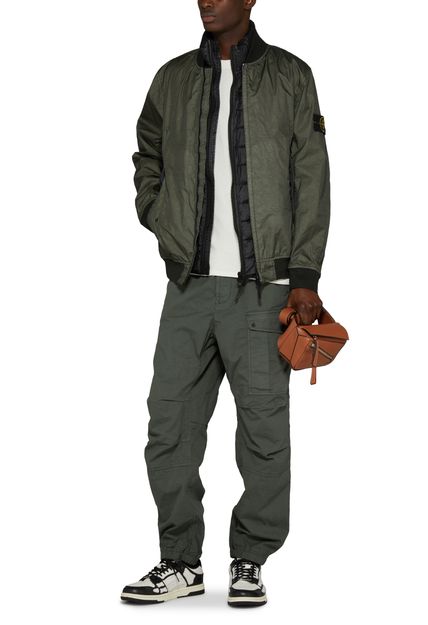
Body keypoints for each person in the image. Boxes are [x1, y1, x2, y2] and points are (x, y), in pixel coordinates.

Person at [121, 0, 330, 608]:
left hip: (264, 290)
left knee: (263, 433)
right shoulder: (172, 78)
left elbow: (311, 176)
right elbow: (147, 152)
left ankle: (249, 560)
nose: (207, 1)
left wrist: (304, 275)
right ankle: (180, 562)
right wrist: (159, 214)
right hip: (187, 287)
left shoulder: (290, 76)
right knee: (169, 426)